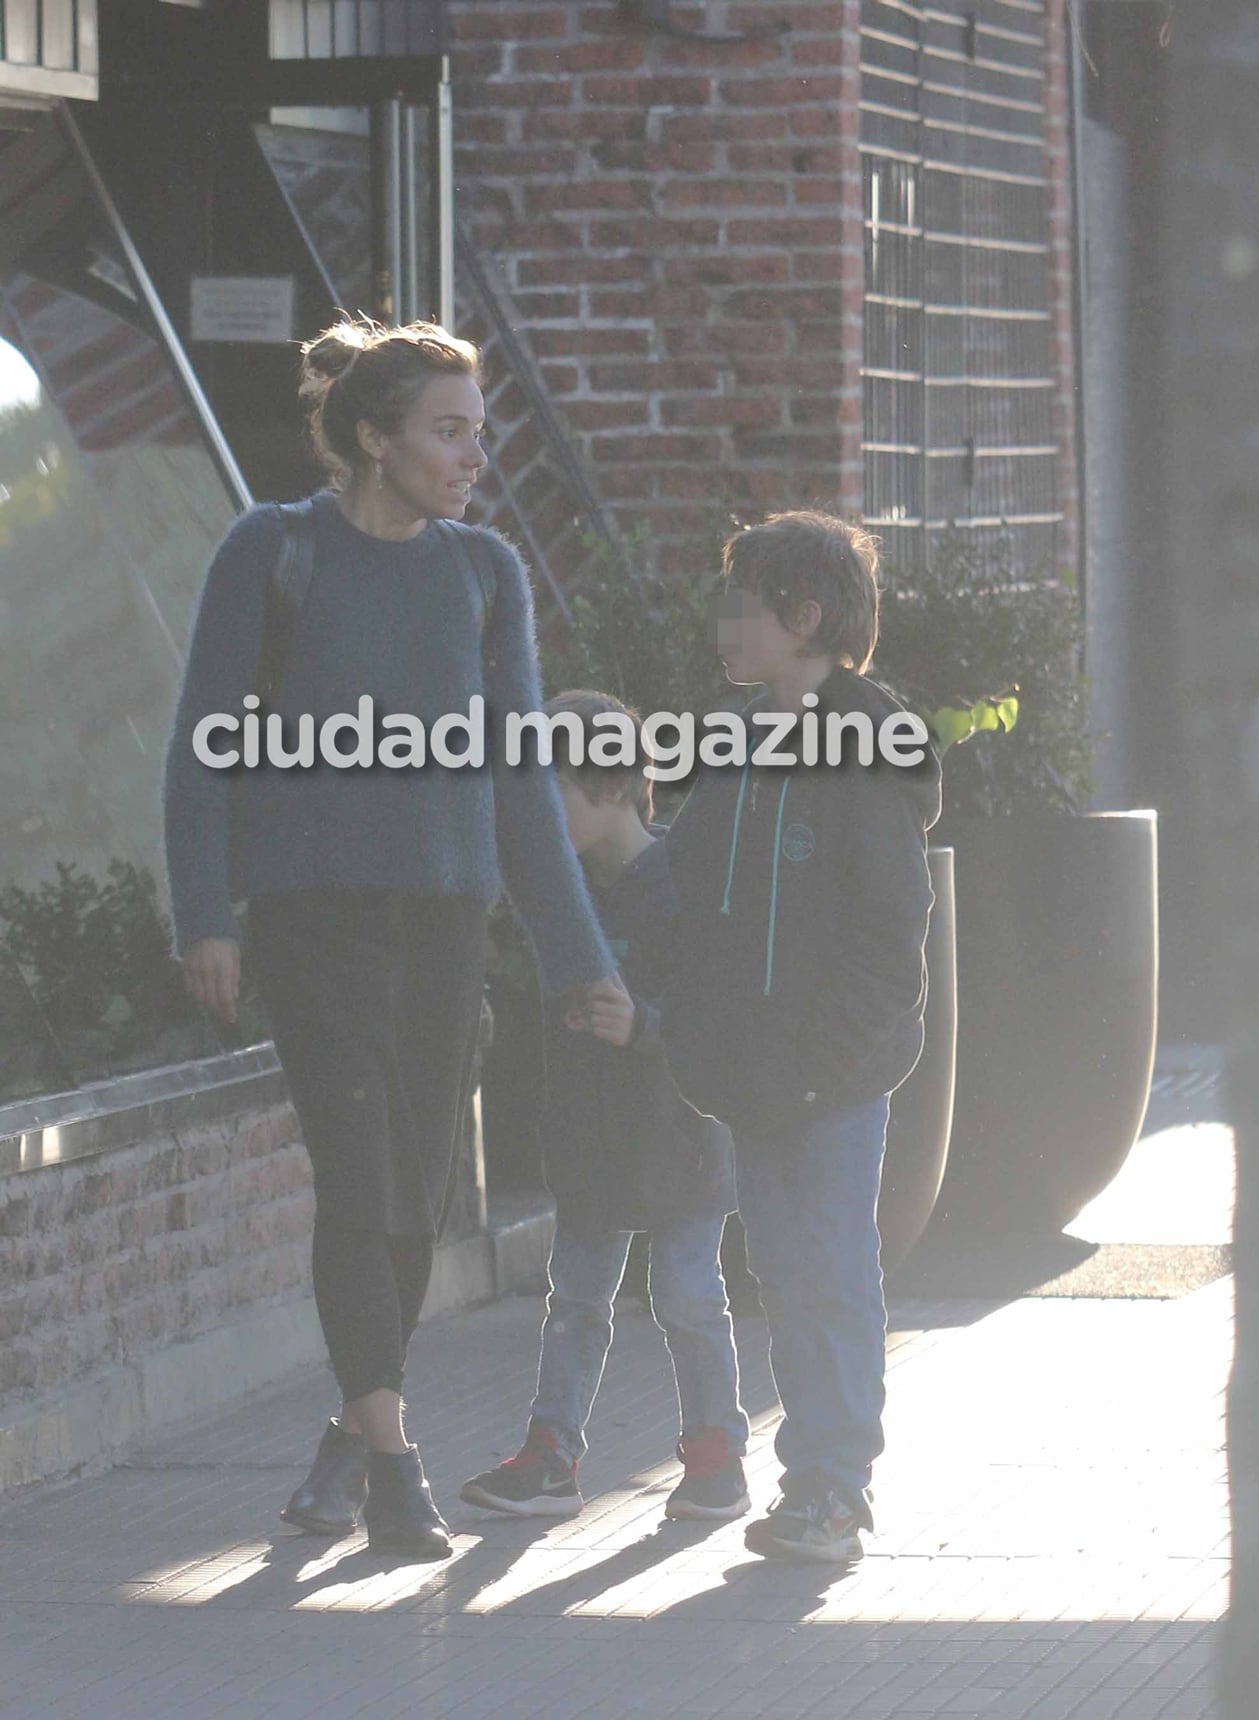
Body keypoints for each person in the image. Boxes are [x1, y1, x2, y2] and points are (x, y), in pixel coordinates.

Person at [163, 318, 616, 1560]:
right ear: (375, 437)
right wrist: (204, 912)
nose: (477, 456)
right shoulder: (274, 551)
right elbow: (202, 741)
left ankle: (347, 1434)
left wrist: (579, 961)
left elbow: (525, 780)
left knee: (417, 1199)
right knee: (358, 1181)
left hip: (444, 924)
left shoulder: (483, 575)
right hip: (312, 922)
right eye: (451, 432)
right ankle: (395, 1465)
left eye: (481, 433)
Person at [661, 512, 940, 1565]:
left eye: (743, 600)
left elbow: (891, 929)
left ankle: (832, 1489)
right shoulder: (733, 739)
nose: (724, 622)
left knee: (825, 1268)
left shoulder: (867, 746)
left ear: (804, 616)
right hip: (750, 1074)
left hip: (826, 1080)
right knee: (783, 1271)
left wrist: (820, 1063)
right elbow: (680, 884)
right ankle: (812, 1484)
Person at [460, 691, 749, 1522]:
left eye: (553, 792)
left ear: (616, 784)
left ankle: (715, 1455)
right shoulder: (561, 897)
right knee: (576, 1299)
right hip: (594, 1139)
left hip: (682, 1135)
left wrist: (644, 1028)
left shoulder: (683, 884)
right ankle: (552, 1455)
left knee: (688, 1296)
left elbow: (716, 1016)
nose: (539, 819)